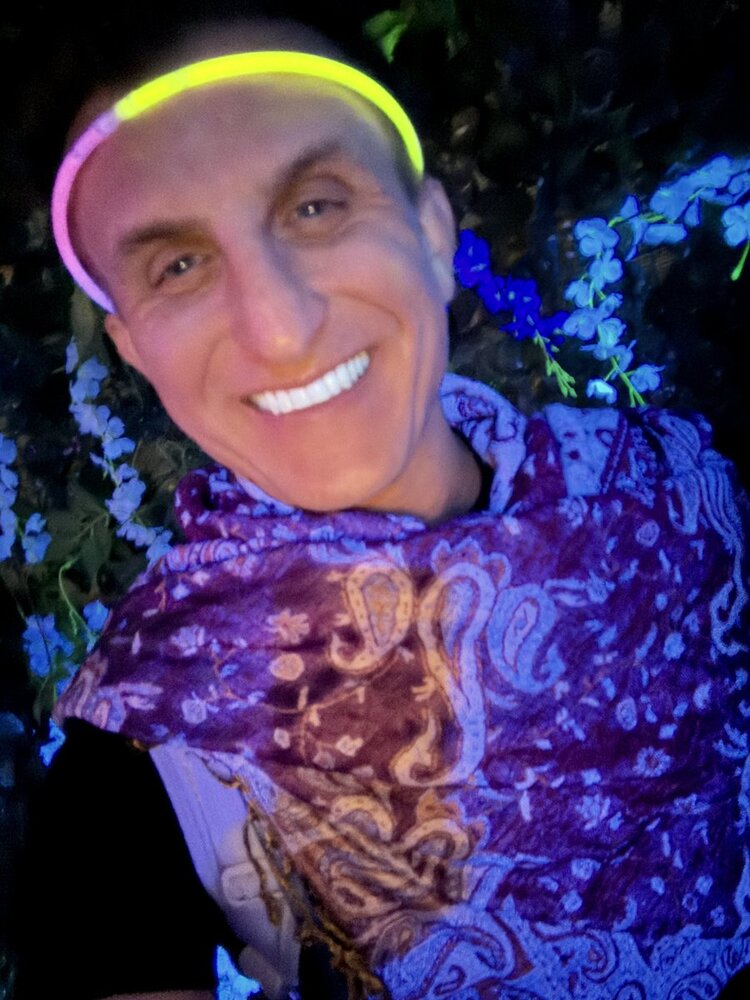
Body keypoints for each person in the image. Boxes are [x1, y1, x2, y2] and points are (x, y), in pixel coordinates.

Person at [15, 12, 750, 1000]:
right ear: (136, 349)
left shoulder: (685, 490)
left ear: (434, 233)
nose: (280, 328)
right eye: (178, 266)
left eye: (315, 206)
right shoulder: (143, 748)